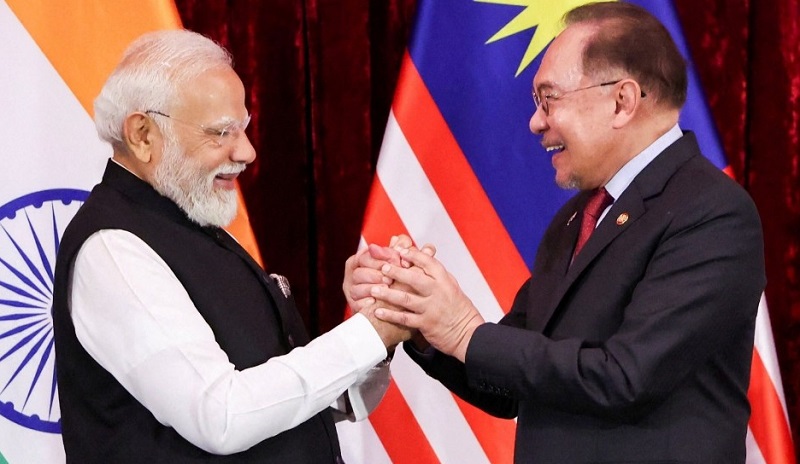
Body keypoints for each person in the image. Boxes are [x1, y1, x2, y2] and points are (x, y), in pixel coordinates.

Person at [348, 2, 765, 462]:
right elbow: (510, 385)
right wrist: (420, 318)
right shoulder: (576, 219)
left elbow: (625, 377)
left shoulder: (713, 212)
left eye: (549, 99)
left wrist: (465, 331)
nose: (536, 122)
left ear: (622, 102)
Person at [51, 29, 411, 463]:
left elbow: (297, 406)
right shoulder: (113, 249)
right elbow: (221, 417)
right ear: (143, 135)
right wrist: (369, 333)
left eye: (243, 129)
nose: (247, 152)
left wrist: (379, 324)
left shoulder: (191, 221)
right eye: (221, 132)